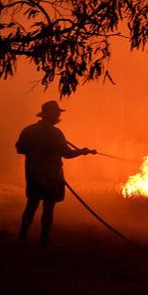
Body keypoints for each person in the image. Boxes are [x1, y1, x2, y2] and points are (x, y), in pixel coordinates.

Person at [16, 100, 96, 246]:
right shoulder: (55, 133)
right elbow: (67, 154)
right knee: (48, 207)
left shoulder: (28, 130)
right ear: (49, 114)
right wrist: (82, 152)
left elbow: (19, 149)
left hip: (32, 174)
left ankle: (22, 236)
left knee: (31, 205)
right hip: (51, 176)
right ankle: (44, 240)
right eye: (57, 112)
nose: (59, 115)